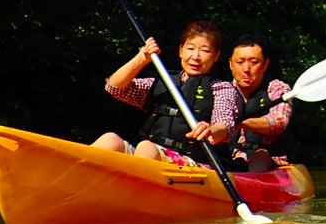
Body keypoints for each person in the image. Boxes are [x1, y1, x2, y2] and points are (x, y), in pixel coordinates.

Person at [91, 19, 240, 166]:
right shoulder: (162, 82)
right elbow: (114, 87)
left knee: (146, 147)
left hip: (192, 164)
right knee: (109, 140)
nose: (196, 56)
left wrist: (211, 130)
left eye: (205, 51)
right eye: (190, 48)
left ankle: (135, 187)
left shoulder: (221, 88)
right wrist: (141, 59)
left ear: (216, 56)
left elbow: (225, 125)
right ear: (181, 51)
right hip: (151, 155)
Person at [227, 36, 294, 173]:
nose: (246, 69)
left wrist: (242, 123)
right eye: (240, 62)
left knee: (259, 158)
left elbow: (278, 122)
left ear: (265, 64)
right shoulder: (221, 90)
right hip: (230, 156)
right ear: (231, 64)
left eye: (253, 62)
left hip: (268, 158)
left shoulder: (278, 88)